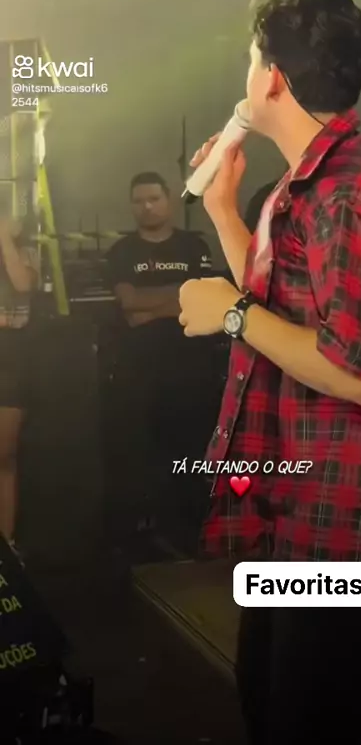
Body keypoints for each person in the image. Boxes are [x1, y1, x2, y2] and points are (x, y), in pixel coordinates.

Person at [177, 0, 361, 745]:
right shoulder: (313, 183)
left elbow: (358, 373)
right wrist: (223, 210)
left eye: (251, 59)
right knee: (273, 711)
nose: (246, 74)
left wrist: (228, 314)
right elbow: (284, 313)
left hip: (342, 522)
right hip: (302, 509)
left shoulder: (350, 195)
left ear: (272, 80)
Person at [104, 172, 214, 556]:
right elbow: (130, 305)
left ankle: (191, 533)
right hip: (140, 371)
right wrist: (178, 297)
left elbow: (203, 298)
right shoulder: (121, 252)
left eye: (153, 198)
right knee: (144, 455)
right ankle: (146, 536)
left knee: (191, 453)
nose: (146, 206)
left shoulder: (193, 246)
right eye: (139, 200)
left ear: (168, 200)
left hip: (192, 369)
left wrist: (152, 306)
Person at [0, 218, 38, 552]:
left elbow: (23, 284)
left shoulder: (25, 247)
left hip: (10, 355)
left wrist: (3, 237)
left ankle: (7, 546)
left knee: (4, 456)